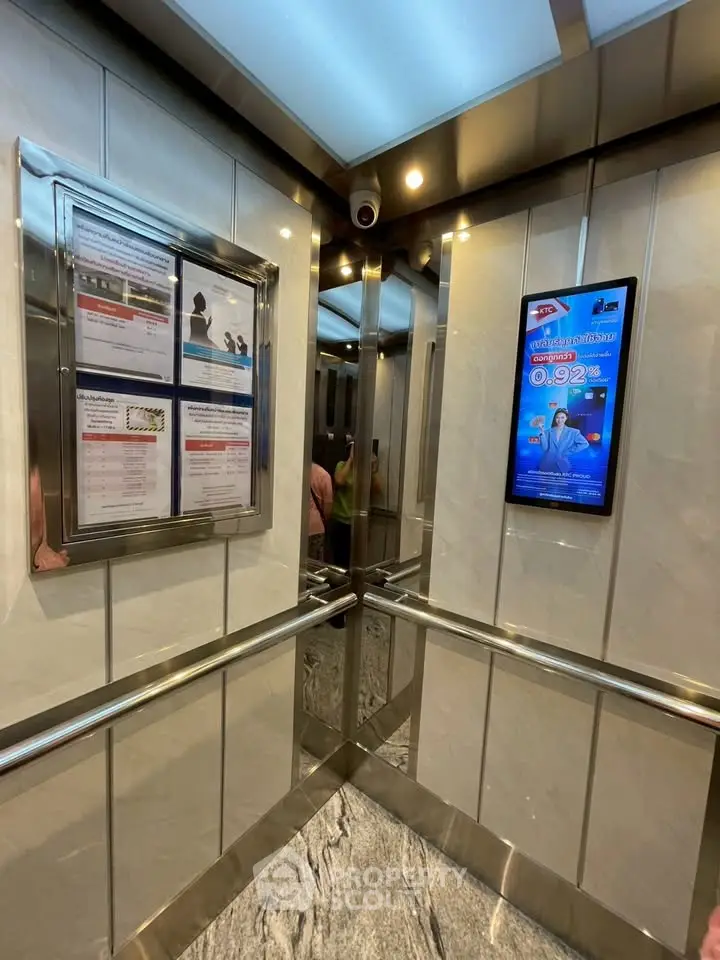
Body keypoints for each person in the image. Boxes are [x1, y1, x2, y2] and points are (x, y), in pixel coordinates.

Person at [534, 407, 589, 474]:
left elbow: (585, 444)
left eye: (562, 417)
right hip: (546, 464)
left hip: (562, 465)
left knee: (561, 483)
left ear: (566, 418)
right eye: (557, 417)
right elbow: (545, 449)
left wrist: (568, 451)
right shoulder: (547, 432)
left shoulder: (573, 432)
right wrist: (542, 432)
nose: (560, 420)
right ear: (555, 418)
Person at [308, 450, 333, 562]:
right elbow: (328, 509)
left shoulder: (294, 471)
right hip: (316, 527)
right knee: (314, 565)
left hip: (295, 527)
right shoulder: (323, 475)